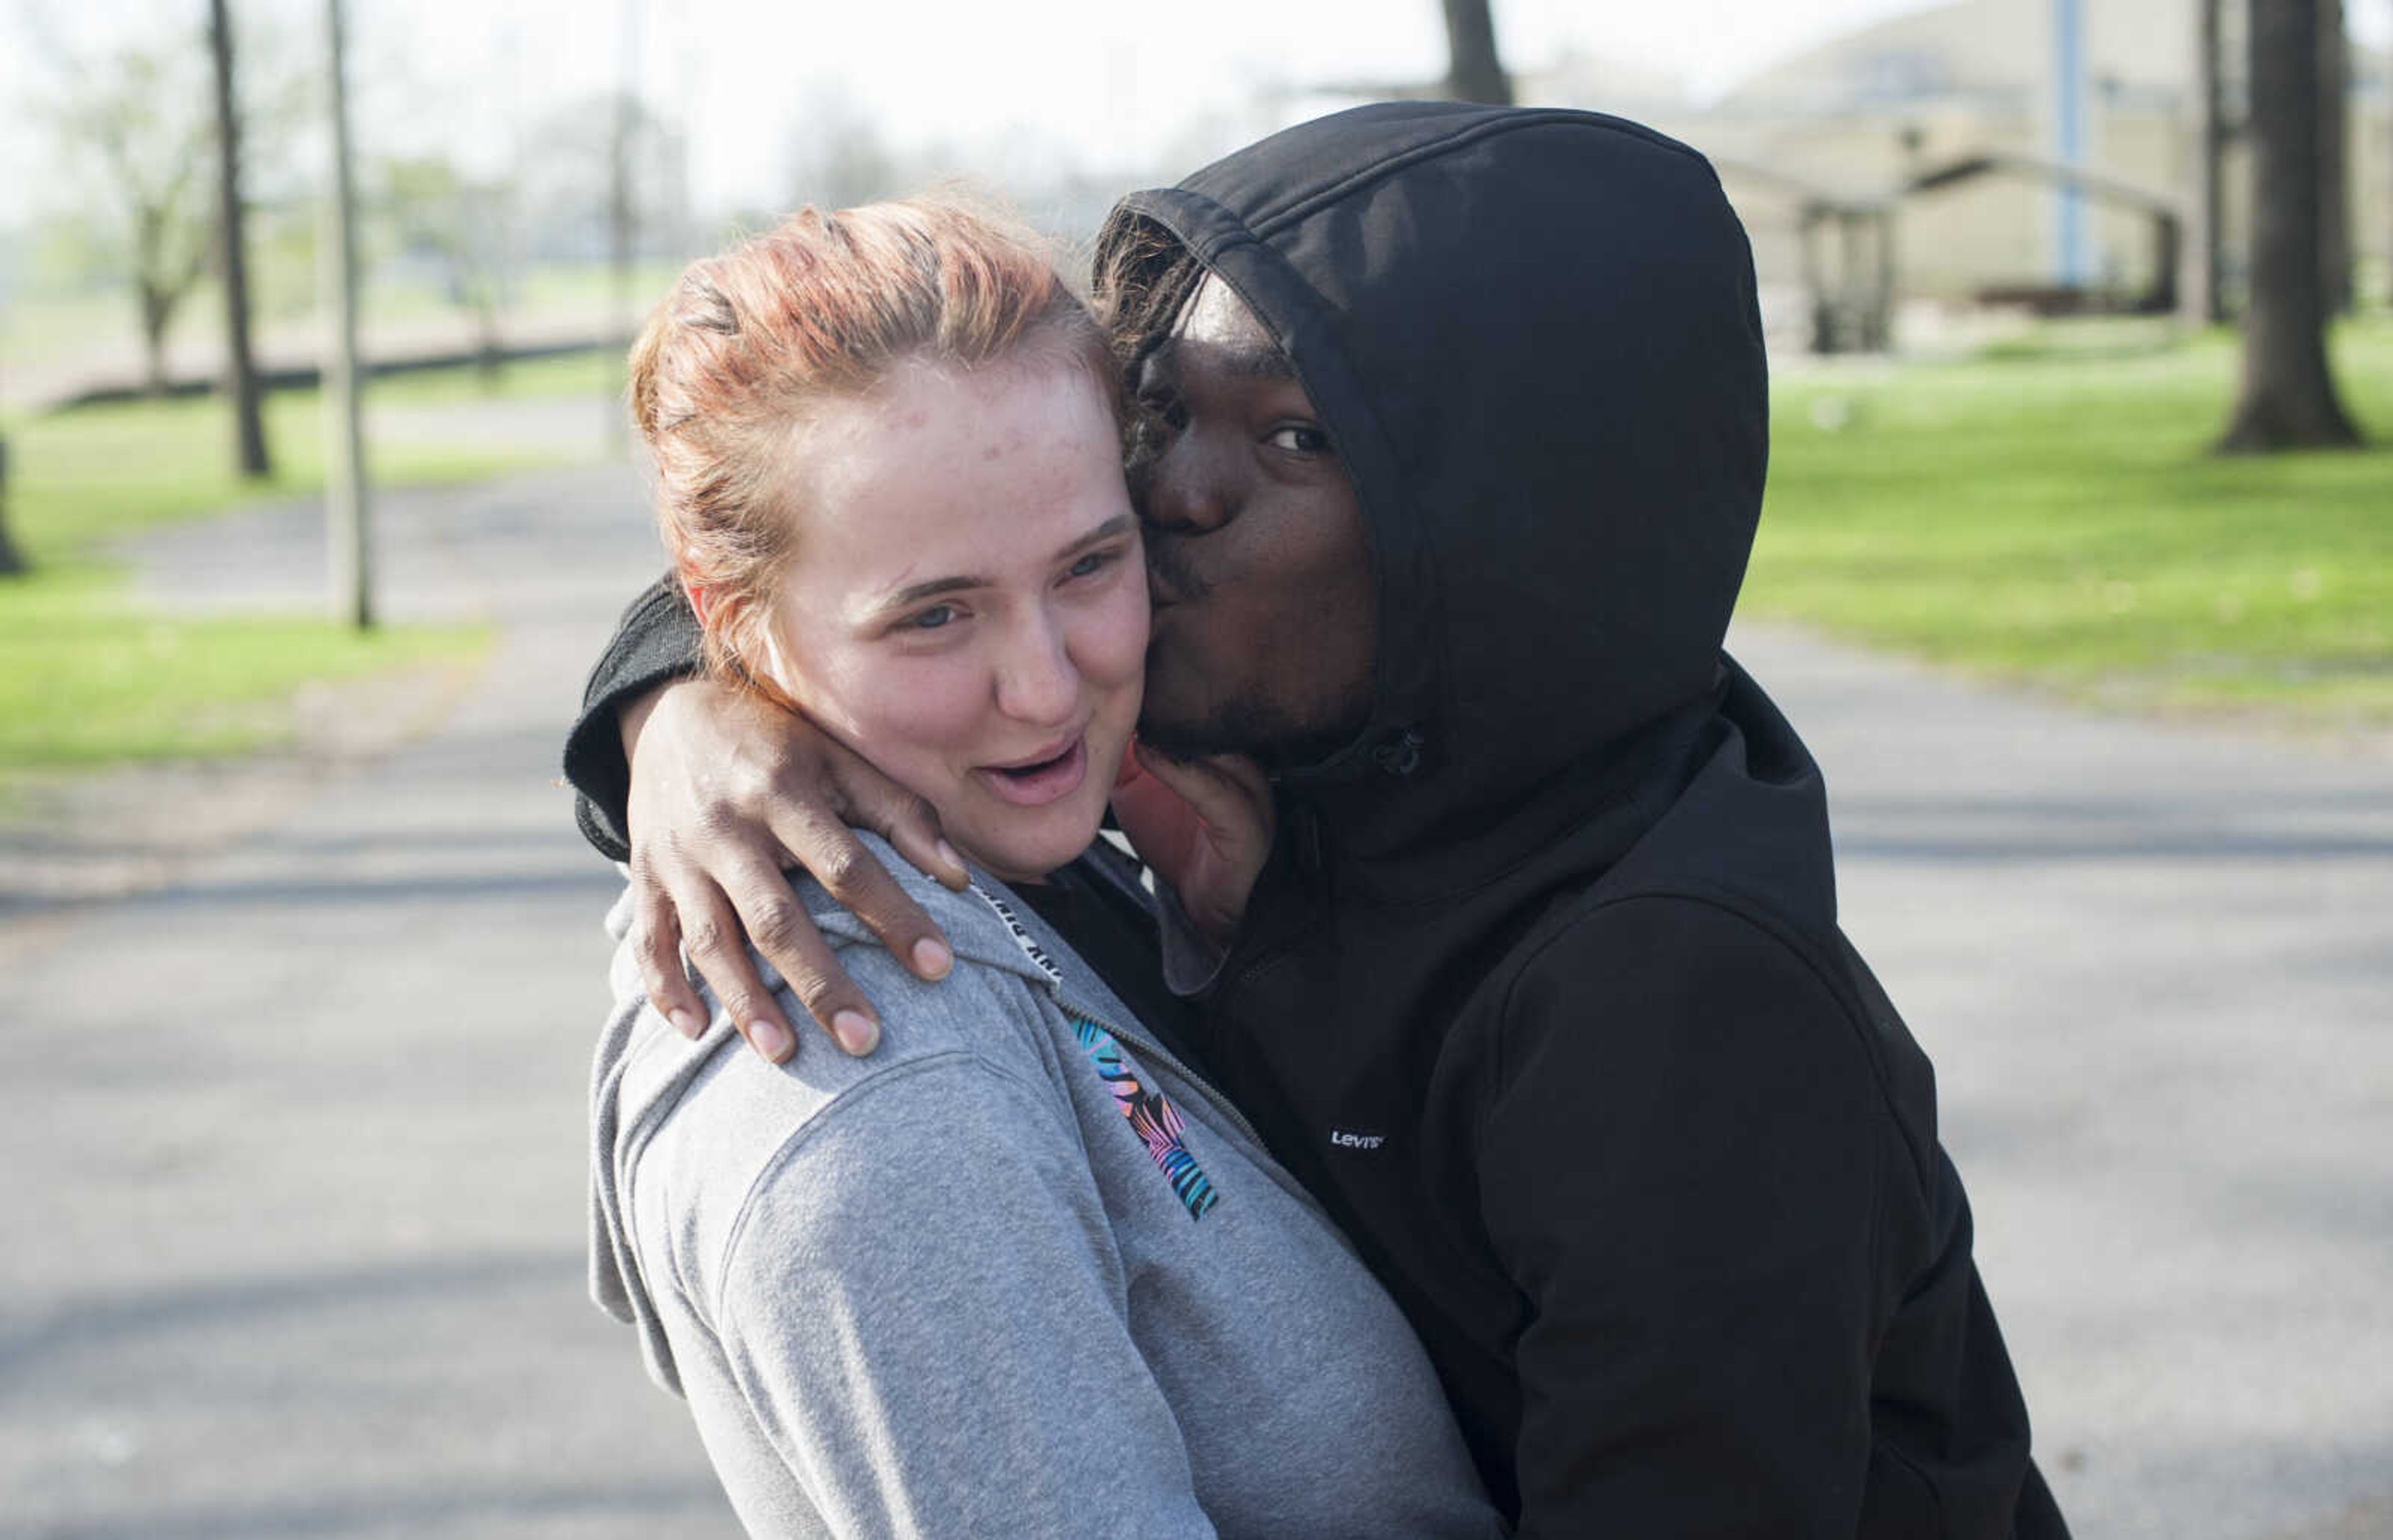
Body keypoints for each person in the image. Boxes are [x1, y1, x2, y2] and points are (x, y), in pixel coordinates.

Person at [569, 105, 2070, 1536]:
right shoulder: (1235, 762)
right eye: (1162, 412)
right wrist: (682, 713)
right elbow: (866, 514)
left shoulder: (1673, 991)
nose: (1172, 498)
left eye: (1294, 436)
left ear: (1506, 514)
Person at [585, 194, 1503, 1539]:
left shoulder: (1015, 855)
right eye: (936, 615)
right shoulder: (879, 1096)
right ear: (725, 614)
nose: (1047, 687)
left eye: (1090, 564)